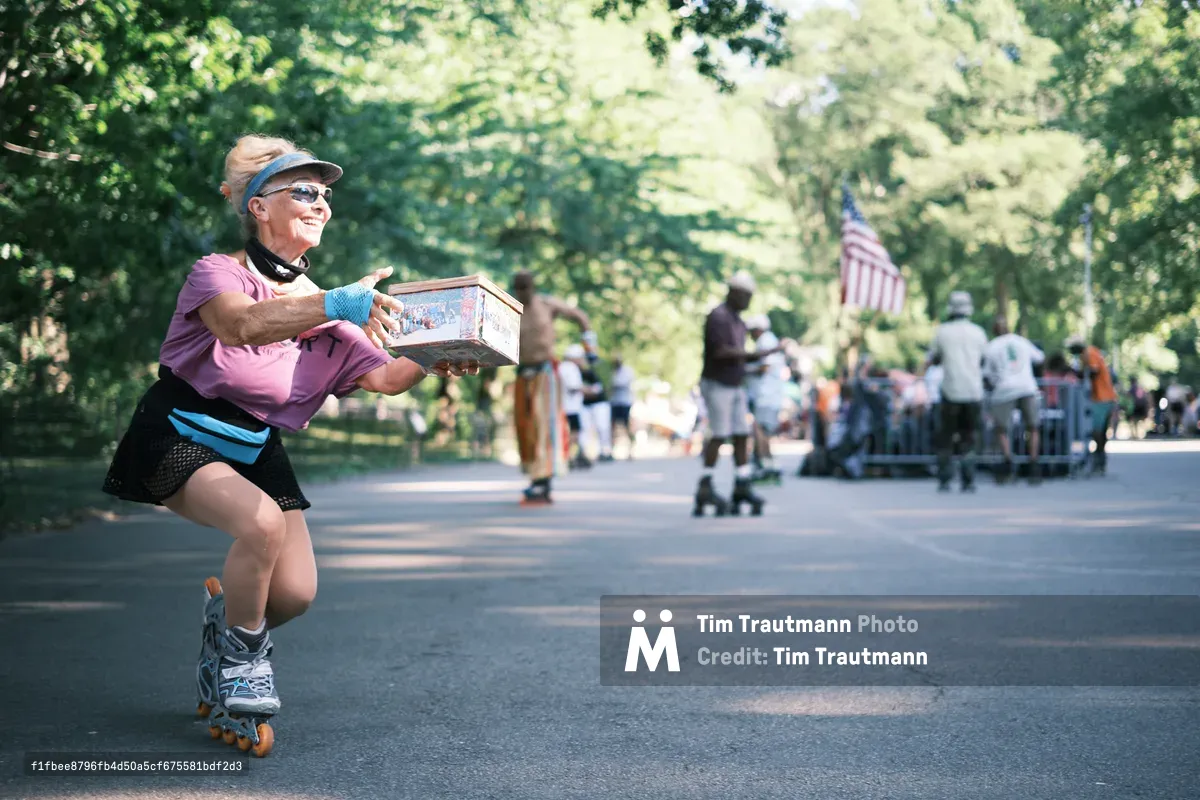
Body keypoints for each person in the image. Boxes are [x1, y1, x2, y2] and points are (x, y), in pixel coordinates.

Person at [100, 135, 478, 756]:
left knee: (296, 593)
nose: (321, 204)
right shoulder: (217, 274)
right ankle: (242, 669)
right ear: (258, 206)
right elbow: (242, 326)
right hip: (180, 427)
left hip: (254, 444)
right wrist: (332, 304)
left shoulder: (333, 308)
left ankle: (227, 633)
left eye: (325, 194)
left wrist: (440, 354)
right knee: (262, 525)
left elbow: (384, 378)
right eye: (303, 191)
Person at [694, 272, 781, 516]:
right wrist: (759, 355)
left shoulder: (738, 321)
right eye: (746, 296)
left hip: (735, 384)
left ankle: (741, 482)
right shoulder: (719, 317)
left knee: (742, 434)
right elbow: (722, 353)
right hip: (717, 383)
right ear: (734, 292)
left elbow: (738, 357)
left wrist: (752, 366)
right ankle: (705, 483)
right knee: (720, 434)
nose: (749, 301)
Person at [510, 271, 591, 504]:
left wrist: (589, 348)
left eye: (526, 287)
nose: (523, 292)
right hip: (522, 374)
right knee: (526, 427)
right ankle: (536, 478)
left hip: (545, 372)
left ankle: (542, 480)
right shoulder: (511, 308)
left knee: (543, 424)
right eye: (519, 288)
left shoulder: (547, 305)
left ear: (533, 287)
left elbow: (580, 317)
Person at [927, 291, 988, 492]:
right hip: (973, 392)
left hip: (951, 391)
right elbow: (983, 360)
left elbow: (934, 359)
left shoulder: (942, 332)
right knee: (969, 436)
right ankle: (968, 479)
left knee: (946, 436)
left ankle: (945, 479)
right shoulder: (979, 333)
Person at [983, 315, 1045, 485]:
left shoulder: (991, 347)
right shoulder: (1021, 341)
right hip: (1027, 386)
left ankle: (1008, 461)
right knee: (1033, 427)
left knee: (1001, 429)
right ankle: (1033, 463)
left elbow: (987, 374)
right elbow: (1040, 357)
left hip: (1004, 389)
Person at [1066, 336, 1117, 474]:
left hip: (1102, 397)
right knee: (1099, 430)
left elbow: (1094, 371)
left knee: (1097, 430)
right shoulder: (1085, 355)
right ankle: (1099, 458)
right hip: (1101, 397)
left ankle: (1099, 457)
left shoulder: (1090, 353)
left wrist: (1078, 373)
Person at [745, 314, 787, 483]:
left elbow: (764, 367)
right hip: (767, 395)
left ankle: (766, 466)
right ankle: (768, 466)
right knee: (762, 432)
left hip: (766, 396)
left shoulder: (766, 341)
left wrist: (742, 370)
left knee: (760, 431)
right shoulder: (768, 340)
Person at [580, 334, 614, 462]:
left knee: (602, 427)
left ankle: (605, 451)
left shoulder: (601, 363)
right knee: (585, 428)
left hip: (600, 402)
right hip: (584, 402)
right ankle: (583, 453)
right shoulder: (580, 361)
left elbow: (606, 383)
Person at [558, 344, 590, 469]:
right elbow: (573, 386)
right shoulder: (570, 368)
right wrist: (587, 389)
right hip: (571, 406)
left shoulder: (562, 367)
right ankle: (568, 456)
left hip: (565, 405)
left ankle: (572, 455)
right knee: (574, 432)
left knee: (571, 432)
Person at [609, 354, 636, 459]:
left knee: (627, 426)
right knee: (613, 426)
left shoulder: (627, 371)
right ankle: (611, 450)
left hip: (625, 402)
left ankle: (630, 450)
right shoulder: (612, 372)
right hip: (615, 402)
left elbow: (621, 383)